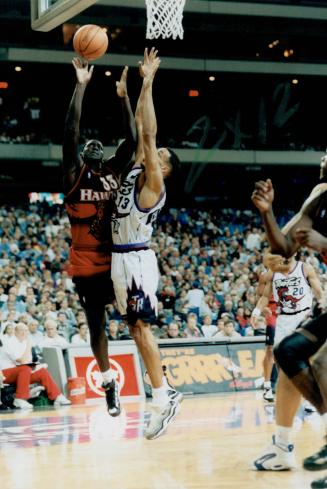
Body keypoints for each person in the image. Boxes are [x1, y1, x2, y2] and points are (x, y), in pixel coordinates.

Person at [111, 48, 181, 440]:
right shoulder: (140, 166)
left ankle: (164, 393)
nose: (154, 151)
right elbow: (141, 128)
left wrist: (150, 81)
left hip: (136, 260)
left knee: (140, 326)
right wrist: (133, 91)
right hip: (122, 259)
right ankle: (163, 391)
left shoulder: (154, 182)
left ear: (165, 168)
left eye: (160, 156)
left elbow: (150, 133)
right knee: (135, 331)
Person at [63, 58, 136, 417]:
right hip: (88, 262)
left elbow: (134, 140)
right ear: (80, 155)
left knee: (137, 317)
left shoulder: (111, 170)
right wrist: (81, 85)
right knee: (97, 326)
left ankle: (156, 377)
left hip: (119, 256)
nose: (90, 142)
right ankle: (109, 383)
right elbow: (70, 131)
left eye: (97, 142)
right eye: (85, 143)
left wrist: (124, 98)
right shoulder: (74, 175)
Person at [251, 166, 327, 477]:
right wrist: (267, 214)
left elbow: (315, 242)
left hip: (310, 308)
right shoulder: (320, 197)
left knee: (321, 365)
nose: (323, 159)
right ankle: (282, 448)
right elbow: (283, 247)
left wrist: (323, 244)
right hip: (294, 313)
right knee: (287, 353)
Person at [251, 254, 321, 403]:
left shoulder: (305, 268)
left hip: (304, 315)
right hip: (283, 317)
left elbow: (319, 292)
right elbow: (264, 296)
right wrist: (256, 311)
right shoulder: (272, 272)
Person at [0, 322, 70, 409]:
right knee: (25, 368)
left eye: (26, 331)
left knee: (41, 372)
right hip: (4, 374)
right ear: (15, 331)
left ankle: (57, 396)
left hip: (21, 372)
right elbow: (22, 361)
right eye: (22, 330)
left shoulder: (24, 342)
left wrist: (36, 367)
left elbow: (28, 361)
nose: (24, 333)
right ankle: (20, 398)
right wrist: (29, 346)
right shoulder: (9, 342)